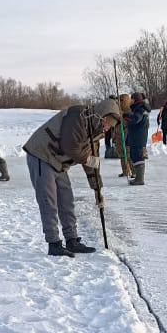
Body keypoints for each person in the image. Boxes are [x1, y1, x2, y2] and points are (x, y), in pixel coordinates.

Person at [23, 99, 119, 257]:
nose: (108, 128)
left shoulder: (95, 131)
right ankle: (54, 243)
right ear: (102, 116)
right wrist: (88, 159)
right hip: (42, 154)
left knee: (67, 200)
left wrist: (98, 191)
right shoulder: (78, 116)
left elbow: (92, 164)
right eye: (108, 123)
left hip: (58, 161)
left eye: (111, 126)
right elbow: (70, 146)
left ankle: (72, 240)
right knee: (49, 201)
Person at [127, 92, 151, 185]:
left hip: (138, 138)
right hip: (136, 137)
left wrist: (126, 116)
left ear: (135, 100)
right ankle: (137, 177)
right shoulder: (138, 108)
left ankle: (140, 179)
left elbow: (135, 119)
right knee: (135, 157)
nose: (130, 101)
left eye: (131, 99)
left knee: (138, 158)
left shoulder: (139, 108)